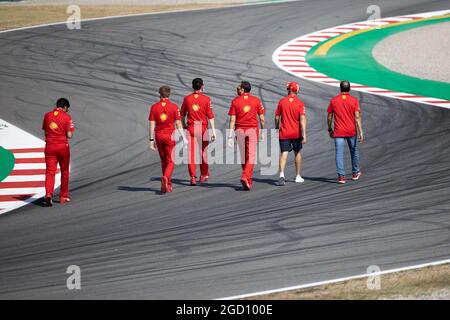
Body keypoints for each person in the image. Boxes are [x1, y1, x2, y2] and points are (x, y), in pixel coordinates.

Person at [149, 86, 188, 193]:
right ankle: (166, 178)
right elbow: (179, 123)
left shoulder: (154, 107)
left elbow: (152, 124)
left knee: (163, 161)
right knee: (171, 160)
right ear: (169, 94)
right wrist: (184, 137)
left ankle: (168, 185)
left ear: (159, 94)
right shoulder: (174, 107)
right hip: (170, 135)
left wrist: (151, 140)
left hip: (158, 135)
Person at [227, 81, 265, 190]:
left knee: (244, 156)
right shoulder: (256, 100)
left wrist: (230, 136)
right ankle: (245, 176)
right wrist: (262, 131)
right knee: (251, 156)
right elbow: (262, 119)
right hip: (252, 130)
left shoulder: (235, 101)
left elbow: (232, 120)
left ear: (243, 89)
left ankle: (248, 180)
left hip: (239, 130)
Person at [180, 78, 216, 185]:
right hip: (202, 128)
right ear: (202, 86)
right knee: (203, 152)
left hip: (191, 127)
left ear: (192, 86)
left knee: (191, 154)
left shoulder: (187, 99)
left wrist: (183, 125)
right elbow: (210, 116)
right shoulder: (206, 99)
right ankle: (204, 175)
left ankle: (192, 177)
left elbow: (182, 114)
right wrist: (213, 131)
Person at [327, 80, 363, 184]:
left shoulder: (334, 100)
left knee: (339, 153)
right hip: (351, 131)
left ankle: (341, 177)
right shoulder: (354, 100)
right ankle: (355, 172)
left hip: (338, 131)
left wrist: (329, 129)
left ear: (340, 88)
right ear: (349, 89)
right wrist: (361, 131)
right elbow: (357, 116)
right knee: (354, 151)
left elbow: (329, 117)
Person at [42, 98, 75, 206]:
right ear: (65, 107)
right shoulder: (67, 117)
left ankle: (48, 194)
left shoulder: (47, 115)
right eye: (67, 109)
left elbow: (46, 132)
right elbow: (70, 135)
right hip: (62, 147)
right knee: (64, 171)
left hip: (50, 146)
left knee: (50, 172)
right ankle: (63, 196)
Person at [275, 82, 307, 186]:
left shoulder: (282, 102)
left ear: (288, 90)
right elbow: (302, 118)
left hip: (284, 132)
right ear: (297, 90)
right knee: (297, 152)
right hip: (296, 132)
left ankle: (281, 175)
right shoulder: (300, 103)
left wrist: (277, 128)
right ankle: (298, 176)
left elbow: (276, 117)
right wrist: (304, 134)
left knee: (284, 153)